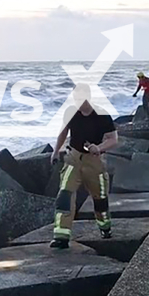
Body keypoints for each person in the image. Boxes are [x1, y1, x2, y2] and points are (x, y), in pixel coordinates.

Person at [49, 84, 118, 249]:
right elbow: (63, 132)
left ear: (88, 97)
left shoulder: (102, 115)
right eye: (75, 98)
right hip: (73, 158)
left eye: (80, 98)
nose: (78, 102)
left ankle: (105, 228)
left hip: (93, 161)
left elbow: (113, 139)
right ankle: (61, 237)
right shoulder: (70, 112)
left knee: (100, 198)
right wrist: (55, 151)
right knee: (64, 195)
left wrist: (99, 147)